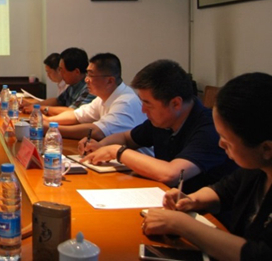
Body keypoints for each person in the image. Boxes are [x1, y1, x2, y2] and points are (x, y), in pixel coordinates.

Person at [143, 72, 272, 261]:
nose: (220, 144)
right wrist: (192, 200)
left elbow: (260, 255)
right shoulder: (256, 169)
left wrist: (182, 224)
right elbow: (223, 190)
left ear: (266, 148)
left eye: (226, 140)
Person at [80, 59, 235, 193]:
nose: (143, 109)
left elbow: (171, 174)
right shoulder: (164, 120)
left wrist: (116, 151)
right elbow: (126, 138)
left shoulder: (209, 128)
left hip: (207, 212)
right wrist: (101, 146)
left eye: (148, 104)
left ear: (176, 103)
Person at [47, 52, 148, 141]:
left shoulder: (126, 102)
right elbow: (77, 115)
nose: (86, 80)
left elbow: (97, 131)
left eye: (91, 75)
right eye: (87, 74)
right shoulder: (102, 98)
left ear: (110, 81)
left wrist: (51, 129)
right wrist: (48, 121)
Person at [30, 47, 96, 116]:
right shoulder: (73, 84)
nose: (60, 73)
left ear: (76, 72)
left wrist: (41, 108)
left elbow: (73, 111)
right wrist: (34, 105)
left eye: (62, 70)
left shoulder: (89, 88)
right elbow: (58, 101)